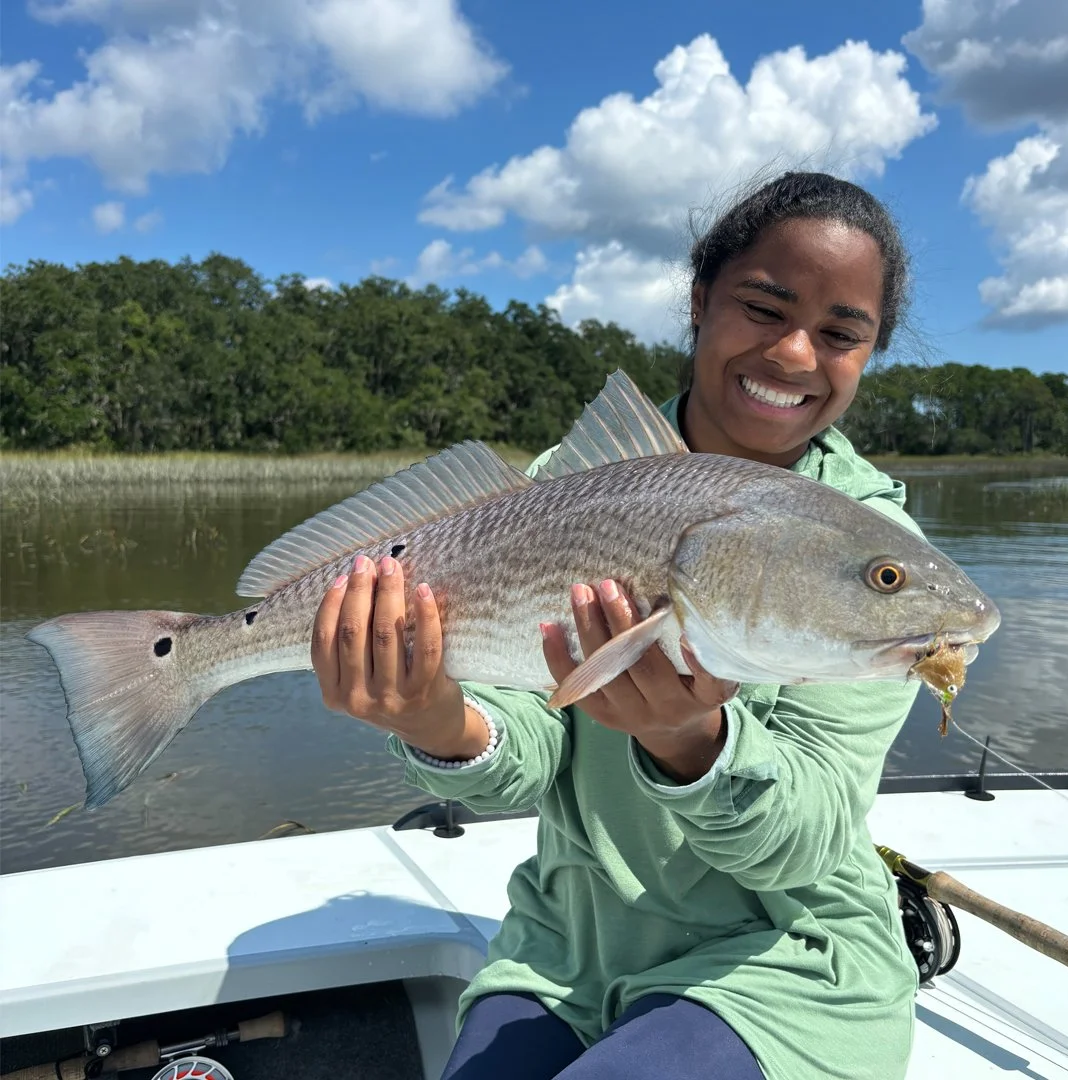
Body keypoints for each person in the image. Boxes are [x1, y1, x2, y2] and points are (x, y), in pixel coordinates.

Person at [311, 172, 923, 1080]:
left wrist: (693, 740)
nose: (796, 355)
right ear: (699, 300)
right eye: (765, 307)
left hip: (785, 955)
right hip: (567, 947)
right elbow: (532, 753)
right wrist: (432, 719)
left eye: (841, 334)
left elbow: (809, 837)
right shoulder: (572, 480)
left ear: (869, 353)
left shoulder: (883, 568)